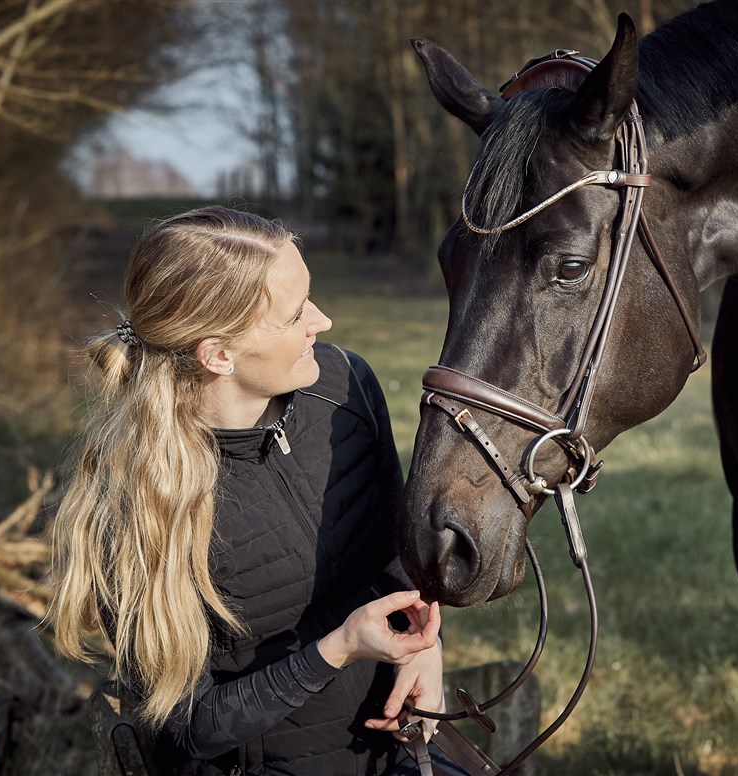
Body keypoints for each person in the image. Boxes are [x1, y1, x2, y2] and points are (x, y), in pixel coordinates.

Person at [48, 205, 444, 775]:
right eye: (294, 314)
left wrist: (429, 643)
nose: (323, 320)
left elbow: (394, 540)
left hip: (400, 745)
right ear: (219, 355)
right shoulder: (135, 501)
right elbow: (184, 728)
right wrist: (335, 650)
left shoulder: (345, 384)